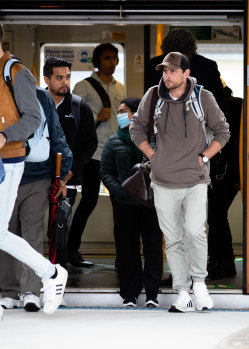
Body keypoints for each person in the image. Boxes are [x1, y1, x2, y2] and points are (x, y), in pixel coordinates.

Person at [0, 15, 68, 320]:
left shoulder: (16, 72)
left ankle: (50, 274)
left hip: (9, 162)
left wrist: (4, 135)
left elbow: (34, 119)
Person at [130, 52, 230, 312]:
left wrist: (206, 156)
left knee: (195, 233)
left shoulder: (202, 97)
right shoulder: (153, 96)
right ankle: (183, 291)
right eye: (164, 71)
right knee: (173, 239)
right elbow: (136, 128)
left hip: (195, 179)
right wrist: (153, 155)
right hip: (162, 180)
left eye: (172, 71)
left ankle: (200, 284)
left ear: (186, 73)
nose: (167, 75)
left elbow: (223, 131)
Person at [146, 29, 235, 277]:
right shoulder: (207, 66)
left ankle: (181, 274)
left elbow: (150, 106)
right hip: (203, 148)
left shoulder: (156, 66)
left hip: (167, 150)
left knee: (172, 221)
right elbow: (221, 111)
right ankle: (216, 264)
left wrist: (153, 153)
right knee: (211, 214)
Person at [0, 87, 73, 312]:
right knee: (6, 234)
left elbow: (56, 133)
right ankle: (11, 291)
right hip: (10, 175)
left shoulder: (39, 96)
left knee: (26, 233)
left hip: (33, 177)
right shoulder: (8, 93)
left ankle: (26, 291)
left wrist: (61, 174)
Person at [100, 98, 163, 308]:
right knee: (127, 249)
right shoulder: (113, 141)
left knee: (153, 247)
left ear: (136, 114)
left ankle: (152, 293)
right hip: (124, 204)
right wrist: (119, 191)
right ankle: (130, 294)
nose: (119, 115)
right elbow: (105, 171)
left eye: (123, 111)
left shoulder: (154, 140)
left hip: (151, 204)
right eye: (118, 111)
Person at [70, 43, 125, 267]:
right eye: (107, 58)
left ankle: (124, 253)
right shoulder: (83, 87)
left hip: (114, 154)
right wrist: (95, 117)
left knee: (120, 204)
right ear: (96, 61)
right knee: (88, 202)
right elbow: (71, 118)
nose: (111, 62)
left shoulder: (120, 88)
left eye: (114, 58)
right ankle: (70, 251)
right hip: (93, 155)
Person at [43, 56, 98, 268]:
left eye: (67, 77)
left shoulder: (79, 107)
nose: (65, 82)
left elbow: (89, 145)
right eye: (59, 78)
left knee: (60, 227)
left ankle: (59, 275)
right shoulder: (36, 104)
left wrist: (70, 172)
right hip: (38, 177)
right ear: (47, 80)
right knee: (33, 226)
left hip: (69, 180)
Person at [207, 80, 242, 279]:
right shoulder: (235, 104)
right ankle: (221, 259)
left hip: (224, 170)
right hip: (223, 169)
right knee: (216, 216)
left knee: (216, 215)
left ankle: (223, 261)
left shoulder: (231, 106)